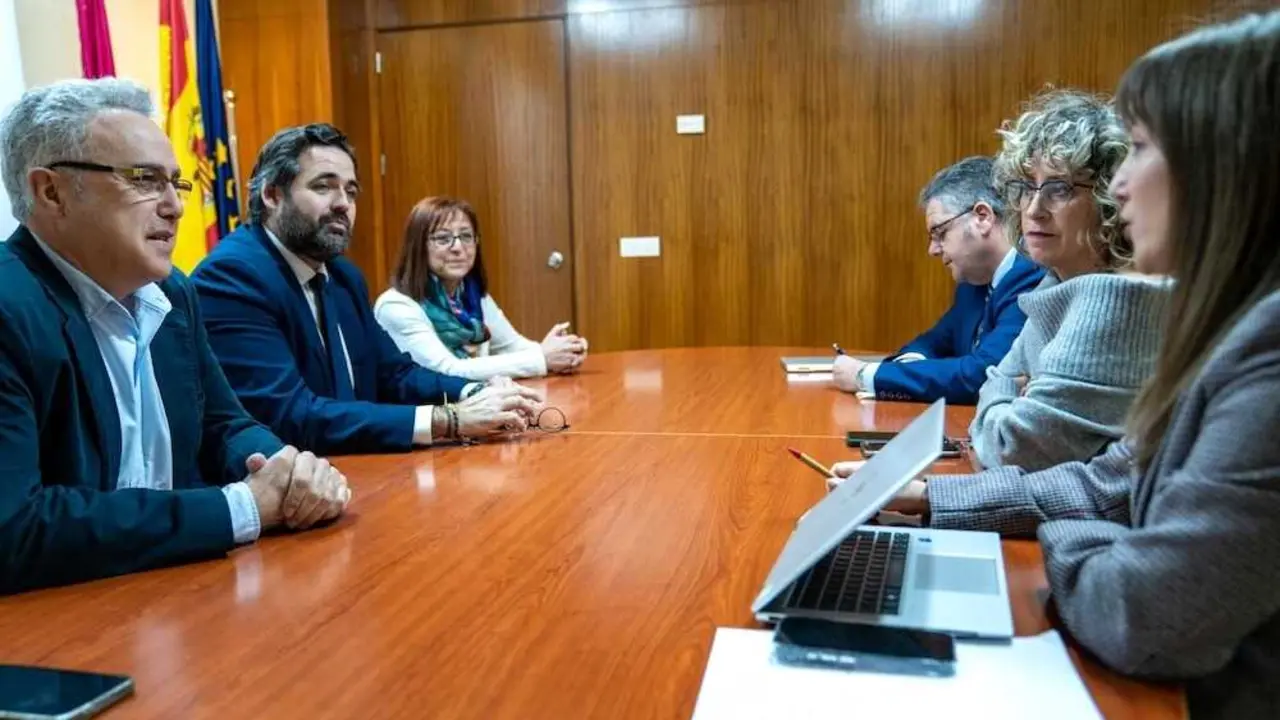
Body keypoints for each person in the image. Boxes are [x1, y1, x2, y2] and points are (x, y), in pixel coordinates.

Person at [836, 12, 1280, 717]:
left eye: (1140, 149)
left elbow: (1146, 613)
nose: (1120, 186)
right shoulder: (1229, 323)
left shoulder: (1267, 352)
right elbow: (1108, 481)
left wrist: (1073, 538)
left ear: (1229, 168)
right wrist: (936, 500)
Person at [0, 79, 350, 594]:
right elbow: (15, 528)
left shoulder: (171, 293)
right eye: (144, 180)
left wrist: (289, 472)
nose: (175, 206)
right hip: (63, 620)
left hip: (180, 591)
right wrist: (240, 508)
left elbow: (224, 425)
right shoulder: (10, 307)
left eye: (176, 183)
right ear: (50, 192)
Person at [191, 124, 543, 455]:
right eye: (323, 187)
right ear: (272, 195)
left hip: (359, 468)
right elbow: (289, 415)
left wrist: (475, 391)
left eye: (351, 191)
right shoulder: (233, 277)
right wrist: (448, 420)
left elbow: (394, 374)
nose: (343, 203)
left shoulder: (342, 276)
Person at [966, 90, 1171, 471]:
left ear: (1113, 198)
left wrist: (1002, 396)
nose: (1034, 209)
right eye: (1026, 187)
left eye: (1060, 189)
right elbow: (996, 385)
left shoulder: (1115, 298)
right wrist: (1007, 395)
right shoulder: (1056, 286)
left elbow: (1012, 448)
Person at [833, 157, 1045, 405]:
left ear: (983, 217)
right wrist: (908, 368)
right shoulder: (973, 283)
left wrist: (867, 376)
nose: (932, 250)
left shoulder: (1032, 277)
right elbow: (931, 343)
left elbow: (984, 374)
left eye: (940, 233)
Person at [374, 196, 588, 381]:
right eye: (443, 238)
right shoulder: (396, 306)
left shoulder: (472, 297)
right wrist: (542, 357)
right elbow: (447, 371)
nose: (458, 247)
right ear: (418, 247)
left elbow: (513, 347)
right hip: (427, 412)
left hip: (475, 406)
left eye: (466, 236)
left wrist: (565, 351)